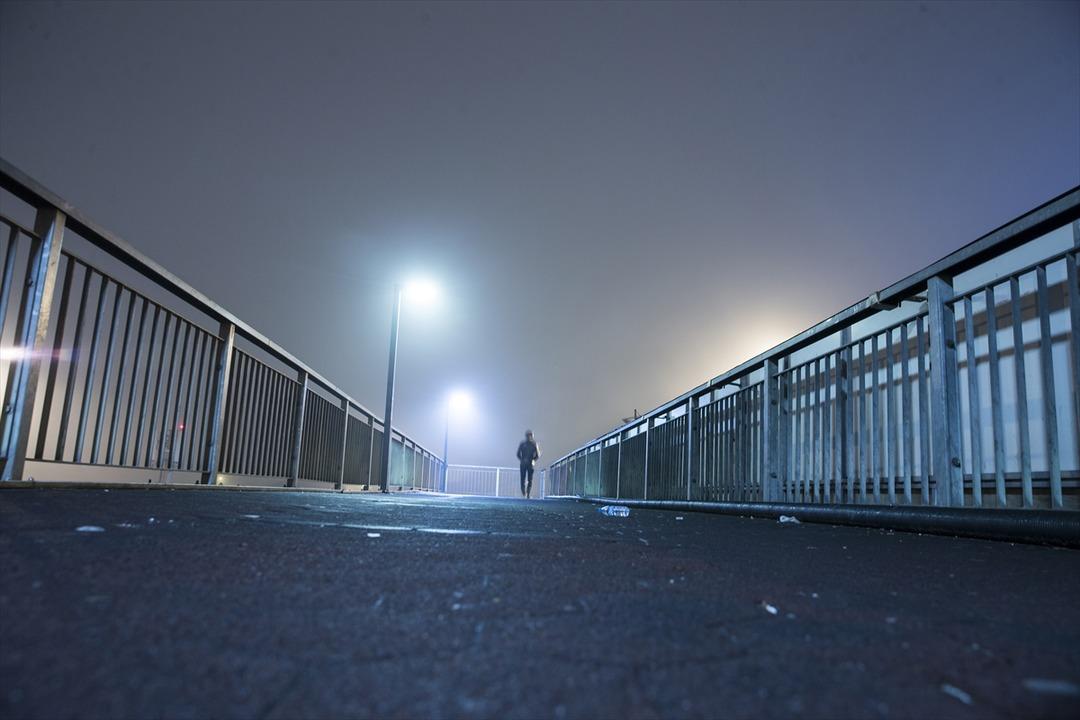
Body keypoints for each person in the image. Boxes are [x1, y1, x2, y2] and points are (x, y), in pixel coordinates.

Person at [516, 430, 540, 498]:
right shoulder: (534, 444)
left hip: (525, 464)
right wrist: (533, 460)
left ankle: (525, 493)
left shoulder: (524, 443)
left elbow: (517, 454)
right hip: (529, 464)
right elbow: (538, 455)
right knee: (529, 479)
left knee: (524, 479)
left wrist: (522, 460)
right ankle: (526, 494)